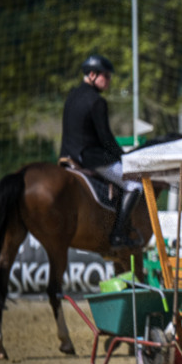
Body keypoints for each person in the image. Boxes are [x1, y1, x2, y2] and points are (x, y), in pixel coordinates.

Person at [60, 54, 144, 247]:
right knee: (134, 184)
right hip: (91, 159)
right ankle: (118, 234)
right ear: (92, 74)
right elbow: (105, 138)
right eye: (105, 76)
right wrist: (124, 158)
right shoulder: (97, 101)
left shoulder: (71, 96)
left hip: (67, 156)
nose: (109, 80)